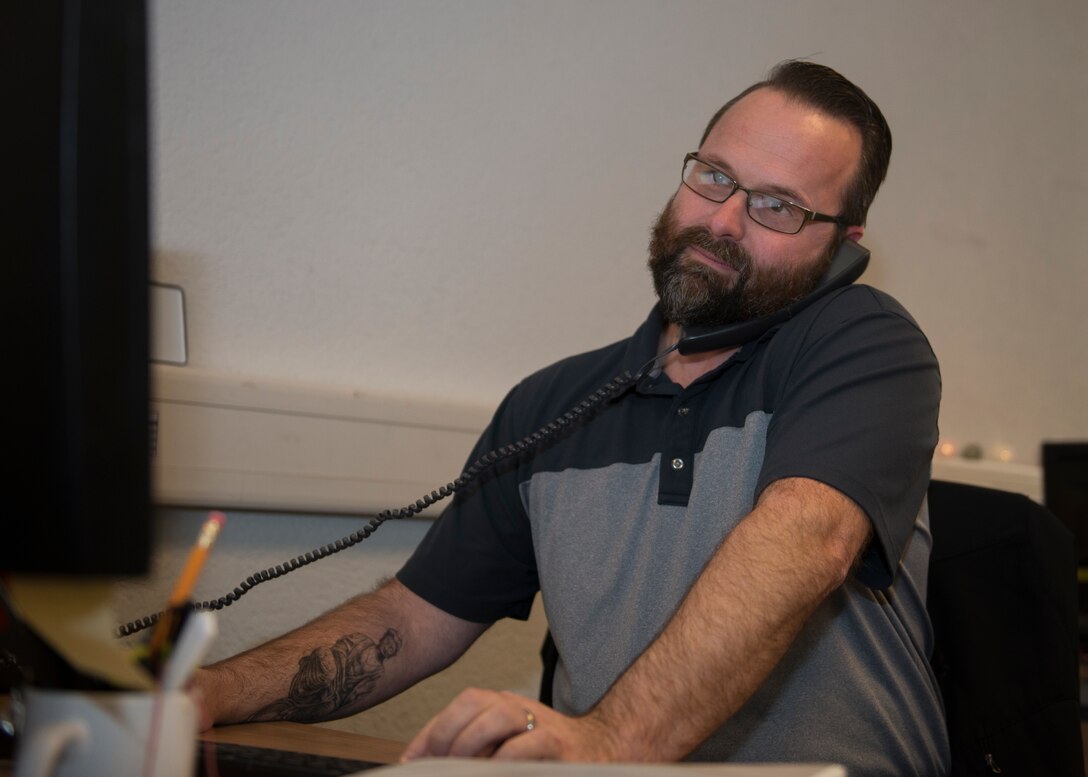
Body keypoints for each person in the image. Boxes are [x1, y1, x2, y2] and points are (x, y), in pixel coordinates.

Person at [195, 60, 947, 775]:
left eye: (776, 205)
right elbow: (413, 619)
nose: (720, 221)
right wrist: (208, 693)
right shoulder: (551, 405)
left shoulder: (865, 344)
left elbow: (806, 538)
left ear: (843, 250)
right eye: (714, 176)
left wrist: (611, 741)